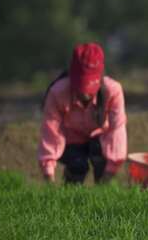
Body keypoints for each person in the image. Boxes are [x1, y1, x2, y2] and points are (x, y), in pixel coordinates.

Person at [38, 42, 127, 184]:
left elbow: (116, 132)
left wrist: (108, 176)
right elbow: (51, 134)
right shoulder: (57, 92)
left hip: (99, 140)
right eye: (81, 85)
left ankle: (103, 191)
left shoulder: (113, 91)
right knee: (78, 166)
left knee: (101, 157)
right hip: (70, 142)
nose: (85, 93)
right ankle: (70, 190)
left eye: (90, 85)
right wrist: (49, 178)